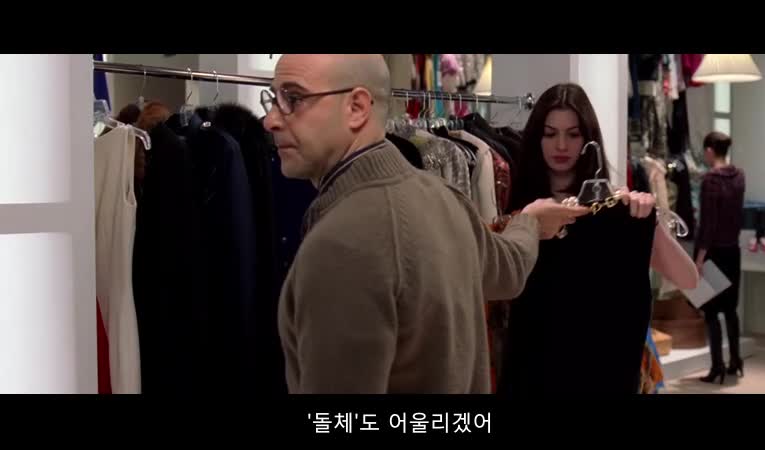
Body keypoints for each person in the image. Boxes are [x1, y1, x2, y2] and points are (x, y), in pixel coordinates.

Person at [263, 54, 589, 394]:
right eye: (273, 99)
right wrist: (529, 223)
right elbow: (508, 267)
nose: (270, 119)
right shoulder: (443, 197)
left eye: (293, 98)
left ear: (357, 107)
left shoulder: (341, 244)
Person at [499, 83, 699, 394]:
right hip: (532, 374)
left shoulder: (615, 212)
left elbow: (688, 279)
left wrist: (649, 222)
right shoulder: (518, 210)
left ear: (588, 138)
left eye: (573, 134)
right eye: (550, 134)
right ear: (536, 137)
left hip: (605, 375)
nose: (561, 145)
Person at [695, 131, 746, 384]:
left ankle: (717, 366)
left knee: (711, 311)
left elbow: (708, 224)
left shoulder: (710, 180)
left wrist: (699, 259)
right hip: (732, 250)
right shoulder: (739, 176)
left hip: (713, 252)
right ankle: (735, 361)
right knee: (730, 309)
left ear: (709, 151)